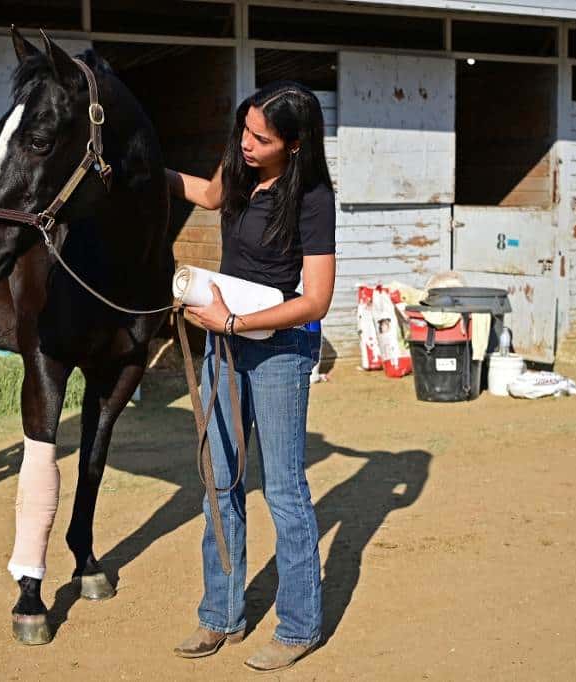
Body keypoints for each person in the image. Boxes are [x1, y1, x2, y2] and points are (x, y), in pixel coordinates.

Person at [165, 81, 337, 673]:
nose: (245, 142)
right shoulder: (239, 168)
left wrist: (234, 320)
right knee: (220, 481)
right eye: (244, 129)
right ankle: (221, 615)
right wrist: (145, 172)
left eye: (260, 137)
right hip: (225, 340)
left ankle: (298, 625)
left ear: (293, 144)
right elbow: (210, 194)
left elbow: (315, 301)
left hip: (280, 348)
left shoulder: (312, 196)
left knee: (285, 491)